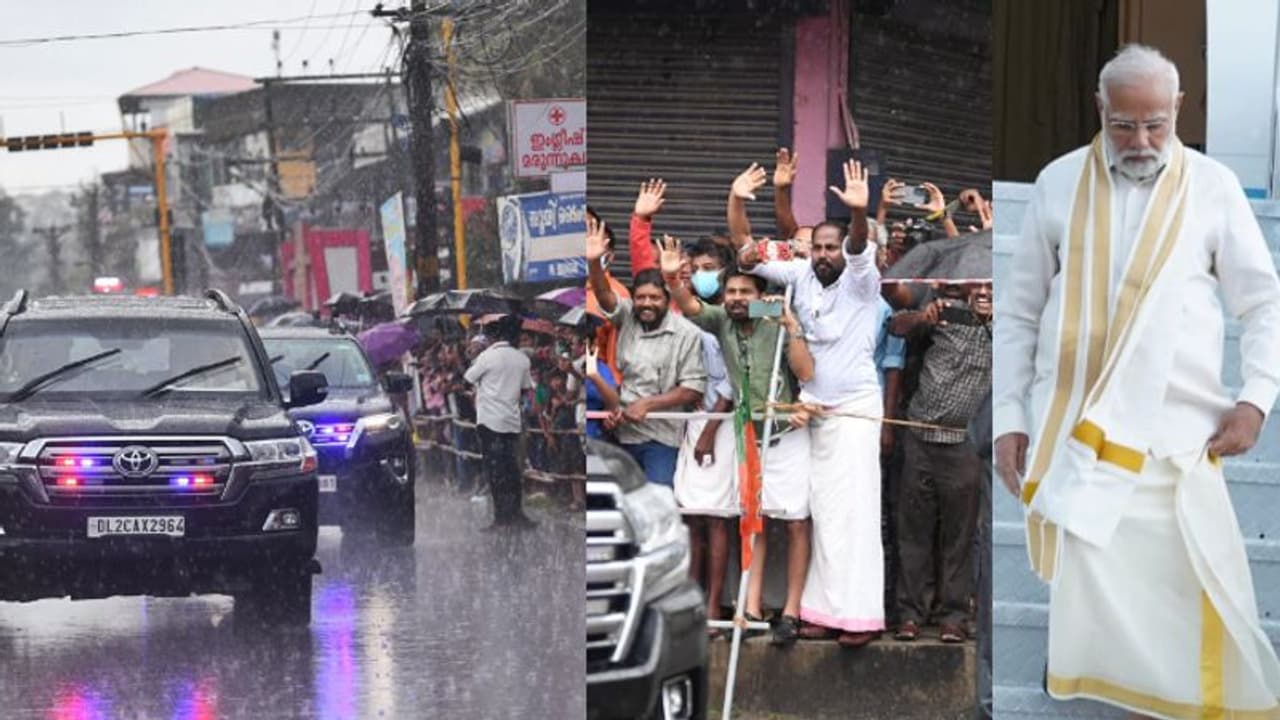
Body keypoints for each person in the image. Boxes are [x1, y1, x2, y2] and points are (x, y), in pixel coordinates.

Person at [994, 44, 1280, 717]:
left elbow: (1262, 302)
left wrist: (1255, 399)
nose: (1142, 140)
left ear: (1178, 109)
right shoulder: (1059, 181)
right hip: (1073, 435)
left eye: (1156, 123)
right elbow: (1019, 310)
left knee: (1202, 597)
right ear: (1100, 109)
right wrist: (1010, 416)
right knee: (1093, 611)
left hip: (1177, 435)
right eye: (1125, 125)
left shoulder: (1212, 186)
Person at [734, 158, 886, 647]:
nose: (823, 254)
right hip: (811, 411)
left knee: (856, 514)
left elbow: (860, 247)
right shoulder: (799, 274)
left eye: (831, 246)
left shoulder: (863, 280)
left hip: (856, 410)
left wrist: (859, 215)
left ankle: (860, 617)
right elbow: (745, 258)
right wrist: (736, 200)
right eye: (817, 246)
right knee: (821, 512)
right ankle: (822, 610)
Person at [666, 241, 817, 647]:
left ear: (758, 295)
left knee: (797, 521)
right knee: (754, 520)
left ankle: (790, 612)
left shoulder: (774, 315)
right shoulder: (721, 321)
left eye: (744, 293)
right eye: (730, 291)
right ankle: (748, 608)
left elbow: (805, 370)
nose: (736, 299)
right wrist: (672, 279)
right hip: (749, 435)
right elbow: (691, 305)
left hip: (787, 433)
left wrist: (792, 329)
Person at [889, 283, 992, 644]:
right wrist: (923, 316)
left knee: (959, 535)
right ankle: (911, 613)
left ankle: (953, 616)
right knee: (913, 531)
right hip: (919, 435)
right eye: (977, 285)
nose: (983, 292)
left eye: (990, 286)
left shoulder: (1009, 326)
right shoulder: (945, 311)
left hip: (965, 443)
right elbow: (895, 326)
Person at [586, 214, 707, 486]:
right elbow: (605, 297)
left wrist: (648, 404)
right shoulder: (628, 315)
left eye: (654, 298)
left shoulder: (686, 332)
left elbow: (692, 388)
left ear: (667, 299)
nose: (646, 304)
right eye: (641, 297)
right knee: (621, 509)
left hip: (661, 438)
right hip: (621, 434)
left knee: (656, 503)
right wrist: (594, 262)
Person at [463, 315, 534, 528]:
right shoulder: (522, 359)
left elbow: (468, 378)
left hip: (489, 422)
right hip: (511, 422)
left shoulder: (487, 358)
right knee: (512, 469)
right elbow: (525, 389)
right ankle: (517, 513)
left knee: (495, 470)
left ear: (495, 336)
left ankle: (501, 516)